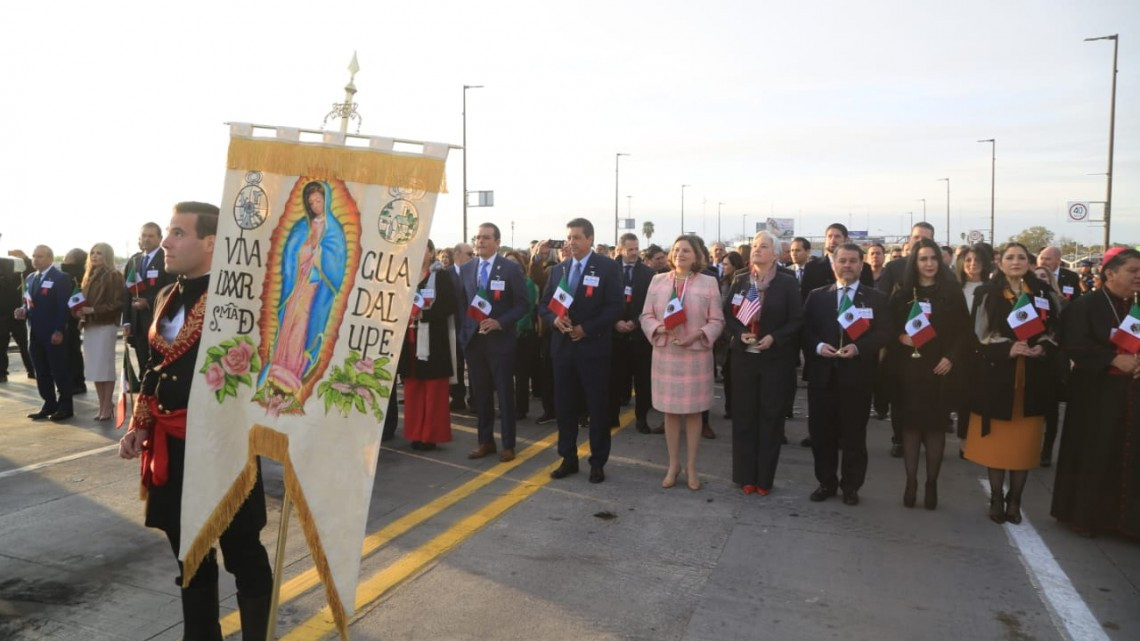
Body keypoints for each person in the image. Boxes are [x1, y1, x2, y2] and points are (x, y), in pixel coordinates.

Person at [118, 202, 272, 640]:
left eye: (178, 233)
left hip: (223, 447)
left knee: (242, 550)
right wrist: (140, 424)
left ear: (211, 242)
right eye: (168, 232)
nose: (165, 242)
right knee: (188, 553)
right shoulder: (168, 295)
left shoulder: (239, 302)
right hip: (172, 445)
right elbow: (154, 366)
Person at [963, 242, 1060, 525]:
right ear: (1000, 263)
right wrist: (1007, 348)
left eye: (1021, 257)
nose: (1015, 262)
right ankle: (995, 497)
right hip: (998, 378)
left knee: (1023, 448)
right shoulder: (987, 293)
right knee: (998, 447)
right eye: (1010, 257)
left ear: (1029, 263)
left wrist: (1043, 345)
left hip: (1033, 379)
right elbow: (977, 335)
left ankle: (1015, 501)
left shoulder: (1042, 293)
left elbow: (1055, 329)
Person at [1051, 248, 1140, 538]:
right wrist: (1112, 359)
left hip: (1133, 396)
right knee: (1096, 452)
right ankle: (1089, 518)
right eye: (1133, 271)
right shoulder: (1086, 305)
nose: (1139, 277)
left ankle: (1128, 523)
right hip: (1096, 395)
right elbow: (1072, 342)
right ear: (1110, 273)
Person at [802, 243, 891, 505]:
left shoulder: (875, 298)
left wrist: (858, 348)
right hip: (822, 377)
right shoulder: (817, 296)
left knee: (854, 435)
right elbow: (805, 330)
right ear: (834, 264)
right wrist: (818, 346)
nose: (847, 265)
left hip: (857, 378)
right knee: (822, 434)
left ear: (861, 265)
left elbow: (884, 332)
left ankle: (851, 486)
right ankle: (826, 482)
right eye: (843, 261)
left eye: (853, 261)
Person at [885, 238, 971, 509]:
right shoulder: (902, 292)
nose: (929, 264)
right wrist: (900, 337)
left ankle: (931, 482)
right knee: (910, 428)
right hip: (908, 369)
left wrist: (951, 358)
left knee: (935, 428)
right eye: (923, 259)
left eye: (933, 258)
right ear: (915, 262)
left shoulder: (951, 292)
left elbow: (963, 332)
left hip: (940, 368)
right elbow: (887, 326)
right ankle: (911, 480)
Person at [538, 217, 623, 483]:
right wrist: (555, 320)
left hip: (593, 349)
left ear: (590, 239)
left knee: (597, 408)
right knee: (565, 407)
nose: (571, 242)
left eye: (576, 237)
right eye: (569, 238)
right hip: (563, 350)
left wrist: (586, 328)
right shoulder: (558, 270)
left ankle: (597, 461)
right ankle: (568, 458)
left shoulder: (607, 268)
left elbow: (615, 307)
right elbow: (544, 306)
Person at [640, 234, 724, 490]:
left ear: (697, 255)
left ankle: (692, 467)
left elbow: (717, 321)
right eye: (676, 250)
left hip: (695, 355)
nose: (680, 254)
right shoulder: (657, 281)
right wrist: (659, 329)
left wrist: (698, 335)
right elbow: (646, 315)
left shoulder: (708, 283)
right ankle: (673, 464)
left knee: (693, 413)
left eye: (686, 250)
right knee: (671, 413)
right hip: (666, 355)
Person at [723, 231, 802, 495]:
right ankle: (744, 476)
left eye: (764, 246)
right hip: (744, 359)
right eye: (755, 245)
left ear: (776, 254)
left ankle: (764, 479)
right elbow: (729, 315)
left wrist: (774, 338)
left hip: (774, 361)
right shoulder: (742, 280)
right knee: (744, 417)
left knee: (770, 419)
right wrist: (739, 333)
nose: (757, 249)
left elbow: (796, 321)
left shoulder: (788, 283)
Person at [460, 223, 530, 463]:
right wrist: (465, 331)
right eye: (478, 237)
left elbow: (523, 304)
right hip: (475, 342)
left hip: (500, 341)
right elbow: (462, 303)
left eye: (486, 238)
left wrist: (500, 322)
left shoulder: (510, 269)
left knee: (503, 393)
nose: (480, 242)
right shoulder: (467, 268)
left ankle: (508, 444)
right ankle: (485, 441)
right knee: (481, 395)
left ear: (497, 242)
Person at [395, 239, 457, 450]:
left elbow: (450, 304)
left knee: (433, 391)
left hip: (433, 341)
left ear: (431, 253)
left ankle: (430, 435)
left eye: (423, 249)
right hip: (410, 342)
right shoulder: (405, 275)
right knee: (413, 389)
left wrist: (425, 313)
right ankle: (415, 433)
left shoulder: (441, 276)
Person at [17, 245, 74, 421]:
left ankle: (65, 407)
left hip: (52, 333)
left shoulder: (60, 278)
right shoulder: (30, 278)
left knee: (59, 371)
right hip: (34, 333)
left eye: (40, 256)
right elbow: (29, 303)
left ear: (50, 258)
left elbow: (63, 306)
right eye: (34, 256)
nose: (35, 259)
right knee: (41, 371)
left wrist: (58, 330)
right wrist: (23, 311)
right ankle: (49, 403)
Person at [611, 233, 655, 433]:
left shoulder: (648, 274)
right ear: (620, 250)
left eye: (637, 249)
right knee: (614, 378)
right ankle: (611, 416)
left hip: (639, 336)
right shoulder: (609, 271)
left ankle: (641, 418)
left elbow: (651, 304)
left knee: (642, 380)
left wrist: (635, 323)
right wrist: (615, 322)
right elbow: (604, 300)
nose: (634, 253)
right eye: (630, 249)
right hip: (614, 335)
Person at [78, 243, 125, 420]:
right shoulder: (88, 276)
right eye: (92, 253)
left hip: (105, 325)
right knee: (95, 369)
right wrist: (80, 311)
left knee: (105, 368)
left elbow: (117, 303)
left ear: (107, 256)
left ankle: (107, 406)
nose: (95, 256)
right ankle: (103, 405)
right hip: (90, 326)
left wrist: (93, 310)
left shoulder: (113, 275)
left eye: (99, 253)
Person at [123, 222, 175, 377]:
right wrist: (126, 321)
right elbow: (126, 293)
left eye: (151, 236)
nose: (146, 239)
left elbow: (171, 289)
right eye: (143, 236)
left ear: (160, 238)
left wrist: (149, 303)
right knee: (142, 362)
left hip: (158, 321)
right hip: (137, 323)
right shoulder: (134, 260)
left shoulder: (167, 258)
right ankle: (144, 397)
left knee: (158, 365)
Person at [505, 250, 539, 421]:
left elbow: (528, 308)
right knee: (506, 374)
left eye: (514, 263)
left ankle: (521, 408)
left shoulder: (528, 283)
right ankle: (508, 406)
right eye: (508, 263)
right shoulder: (501, 282)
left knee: (521, 374)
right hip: (505, 334)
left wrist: (515, 326)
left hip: (523, 335)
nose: (511, 266)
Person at [799, 223, 874, 298]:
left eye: (837, 236)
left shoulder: (864, 268)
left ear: (846, 239)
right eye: (829, 236)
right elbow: (805, 296)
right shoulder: (812, 267)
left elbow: (869, 296)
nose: (833, 240)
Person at [717, 251, 746, 419]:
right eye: (723, 264)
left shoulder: (741, 284)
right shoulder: (721, 284)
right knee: (727, 373)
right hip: (723, 337)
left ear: (735, 266)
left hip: (737, 334)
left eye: (727, 264)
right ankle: (730, 408)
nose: (724, 267)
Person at [0, 256, 34, 382]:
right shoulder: (16, 278)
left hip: (14, 317)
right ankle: (31, 370)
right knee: (22, 346)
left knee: (23, 346)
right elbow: (30, 270)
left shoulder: (17, 277)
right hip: (9, 318)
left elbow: (31, 270)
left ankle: (31, 370)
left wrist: (24, 256)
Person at [450, 242, 475, 411]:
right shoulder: (444, 275)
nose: (473, 257)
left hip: (472, 327)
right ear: (457, 254)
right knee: (455, 365)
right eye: (469, 254)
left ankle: (475, 400)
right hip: (452, 327)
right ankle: (457, 399)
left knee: (474, 366)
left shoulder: (475, 273)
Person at [61, 248, 88, 394]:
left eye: (67, 256)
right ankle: (73, 381)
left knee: (72, 351)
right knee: (69, 351)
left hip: (71, 317)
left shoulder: (73, 274)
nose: (64, 258)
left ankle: (77, 382)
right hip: (69, 316)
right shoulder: (71, 273)